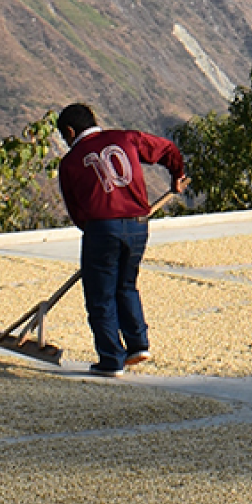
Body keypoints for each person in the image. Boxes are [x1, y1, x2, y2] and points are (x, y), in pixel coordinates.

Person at [54, 102, 187, 377]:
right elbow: (168, 150)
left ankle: (111, 358)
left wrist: (93, 235)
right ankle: (138, 344)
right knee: (126, 285)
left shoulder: (70, 162)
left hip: (102, 228)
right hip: (139, 226)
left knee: (100, 295)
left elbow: (76, 210)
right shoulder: (126, 138)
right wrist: (177, 176)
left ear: (69, 131)